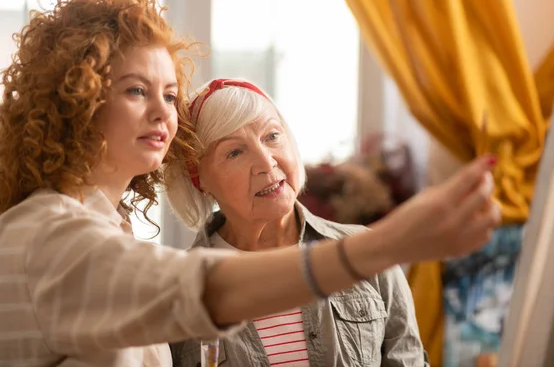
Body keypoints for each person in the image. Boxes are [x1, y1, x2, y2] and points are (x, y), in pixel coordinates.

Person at [0, 0, 501, 366]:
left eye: (170, 96)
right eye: (136, 90)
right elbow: (205, 290)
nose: (162, 113)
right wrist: (388, 243)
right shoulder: (54, 235)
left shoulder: (110, 230)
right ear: (76, 101)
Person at [164, 78, 428, 366]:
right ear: (200, 180)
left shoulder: (369, 254)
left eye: (272, 136)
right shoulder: (177, 292)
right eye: (234, 152)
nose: (267, 163)